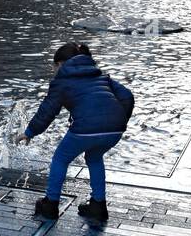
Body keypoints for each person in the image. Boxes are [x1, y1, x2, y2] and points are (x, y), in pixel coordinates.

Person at [15, 42, 134, 224]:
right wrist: (117, 120)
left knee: (61, 158)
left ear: (61, 64)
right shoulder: (101, 75)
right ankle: (98, 206)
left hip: (86, 129)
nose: (53, 69)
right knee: (94, 158)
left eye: (54, 65)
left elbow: (48, 110)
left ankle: (50, 204)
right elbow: (127, 96)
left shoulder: (62, 81)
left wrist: (30, 132)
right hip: (115, 128)